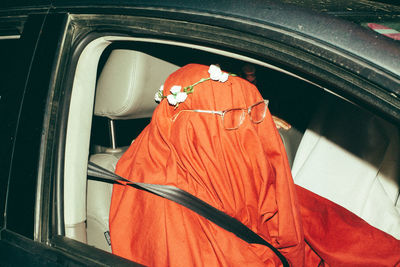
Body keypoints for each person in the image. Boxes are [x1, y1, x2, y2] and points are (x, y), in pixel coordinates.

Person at [109, 64, 400, 266]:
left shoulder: (224, 161)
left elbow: (316, 221)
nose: (252, 131)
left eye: (255, 114)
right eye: (232, 118)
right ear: (191, 127)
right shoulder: (161, 207)